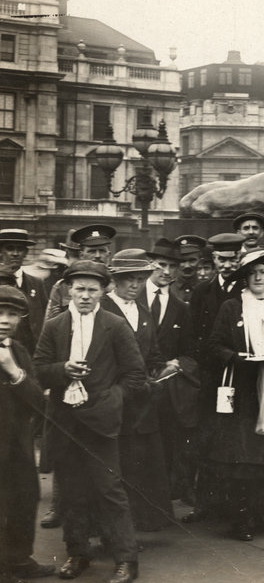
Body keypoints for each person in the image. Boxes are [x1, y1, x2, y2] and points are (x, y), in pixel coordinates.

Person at [33, 260, 146, 583]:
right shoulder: (55, 326)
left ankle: (126, 559)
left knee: (110, 489)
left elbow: (135, 374)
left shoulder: (115, 324)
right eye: (79, 289)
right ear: (69, 289)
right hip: (65, 422)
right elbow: (39, 367)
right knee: (71, 491)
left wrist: (112, 399)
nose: (85, 296)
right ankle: (77, 553)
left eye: (92, 290)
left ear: (103, 291)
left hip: (101, 422)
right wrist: (62, 370)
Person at [205, 248, 264, 541]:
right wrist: (235, 357)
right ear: (245, 278)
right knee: (243, 457)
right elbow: (213, 345)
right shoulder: (232, 307)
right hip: (244, 389)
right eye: (252, 273)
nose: (258, 277)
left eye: (263, 272)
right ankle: (242, 520)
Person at [101, 249, 176, 532]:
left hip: (142, 401)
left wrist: (164, 368)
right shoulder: (104, 307)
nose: (135, 285)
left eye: (140, 279)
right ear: (115, 280)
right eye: (128, 279)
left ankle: (140, 523)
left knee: (140, 463)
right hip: (115, 398)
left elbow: (152, 354)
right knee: (116, 465)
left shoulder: (143, 312)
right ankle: (115, 529)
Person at [184, 232, 245, 524]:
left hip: (243, 373)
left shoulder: (247, 290)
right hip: (212, 376)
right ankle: (206, 504)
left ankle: (236, 505)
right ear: (214, 260)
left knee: (237, 438)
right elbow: (194, 335)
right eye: (222, 259)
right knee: (208, 438)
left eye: (233, 259)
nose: (228, 265)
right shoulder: (202, 291)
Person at [0, 286, 55, 582]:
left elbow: (37, 401)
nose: (4, 320)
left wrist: (14, 372)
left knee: (24, 499)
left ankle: (18, 559)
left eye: (12, 314)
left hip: (18, 445)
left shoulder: (19, 352)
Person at [140, 239, 199, 504]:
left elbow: (189, 351)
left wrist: (174, 365)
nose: (166, 271)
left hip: (163, 388)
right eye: (161, 264)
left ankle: (157, 501)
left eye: (172, 266)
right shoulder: (132, 297)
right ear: (150, 264)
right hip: (131, 384)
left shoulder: (181, 308)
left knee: (160, 444)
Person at [45, 224, 116, 321]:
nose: (98, 256)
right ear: (81, 255)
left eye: (102, 251)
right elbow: (51, 325)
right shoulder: (63, 287)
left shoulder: (119, 284)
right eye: (92, 251)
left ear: (109, 254)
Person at [0, 228, 47, 354]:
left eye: (20, 249)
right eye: (10, 248)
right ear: (1, 251)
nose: (15, 253)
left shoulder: (37, 283)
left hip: (30, 353)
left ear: (25, 252)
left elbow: (43, 319)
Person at [171, 235, 208, 304]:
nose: (187, 266)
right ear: (176, 262)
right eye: (182, 261)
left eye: (192, 260)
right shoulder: (167, 289)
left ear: (200, 262)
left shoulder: (208, 290)